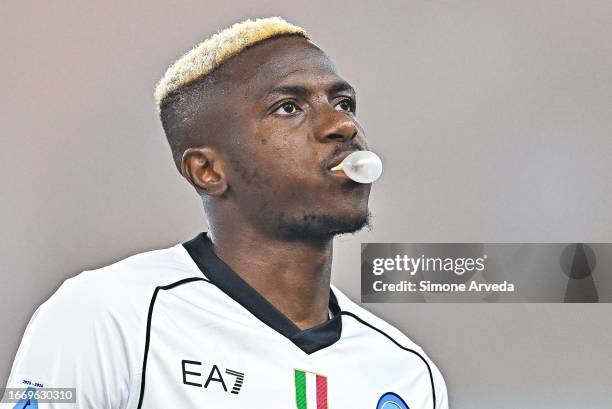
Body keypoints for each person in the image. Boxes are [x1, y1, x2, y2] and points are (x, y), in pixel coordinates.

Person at [3, 17, 449, 409]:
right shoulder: (107, 315)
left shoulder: (408, 373)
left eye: (344, 103)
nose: (343, 125)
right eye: (288, 107)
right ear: (208, 170)